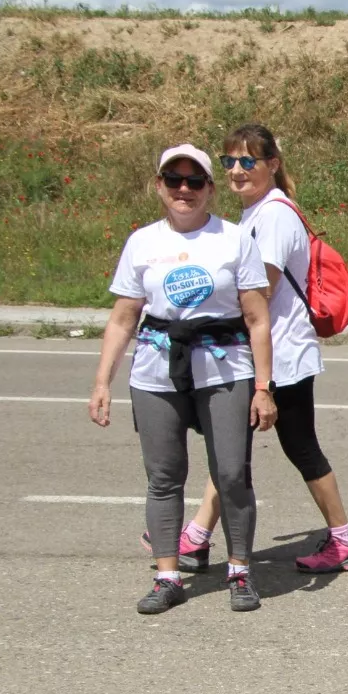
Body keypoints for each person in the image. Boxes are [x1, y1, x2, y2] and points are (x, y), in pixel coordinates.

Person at [167, 125, 348, 575]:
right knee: (240, 446)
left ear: (271, 164)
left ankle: (342, 540)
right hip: (271, 352)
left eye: (248, 161)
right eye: (229, 162)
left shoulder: (274, 214)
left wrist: (211, 322)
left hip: (281, 356)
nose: (237, 171)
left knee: (289, 448)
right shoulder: (258, 212)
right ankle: (198, 538)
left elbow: (262, 288)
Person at [89, 144, 277, 614]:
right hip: (157, 369)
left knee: (232, 473)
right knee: (164, 477)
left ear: (211, 190)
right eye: (174, 180)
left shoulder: (234, 240)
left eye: (195, 182)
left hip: (225, 369)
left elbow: (257, 319)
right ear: (159, 186)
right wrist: (101, 383)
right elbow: (122, 318)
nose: (184, 189)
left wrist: (263, 387)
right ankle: (168, 575)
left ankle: (239, 570)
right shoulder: (143, 242)